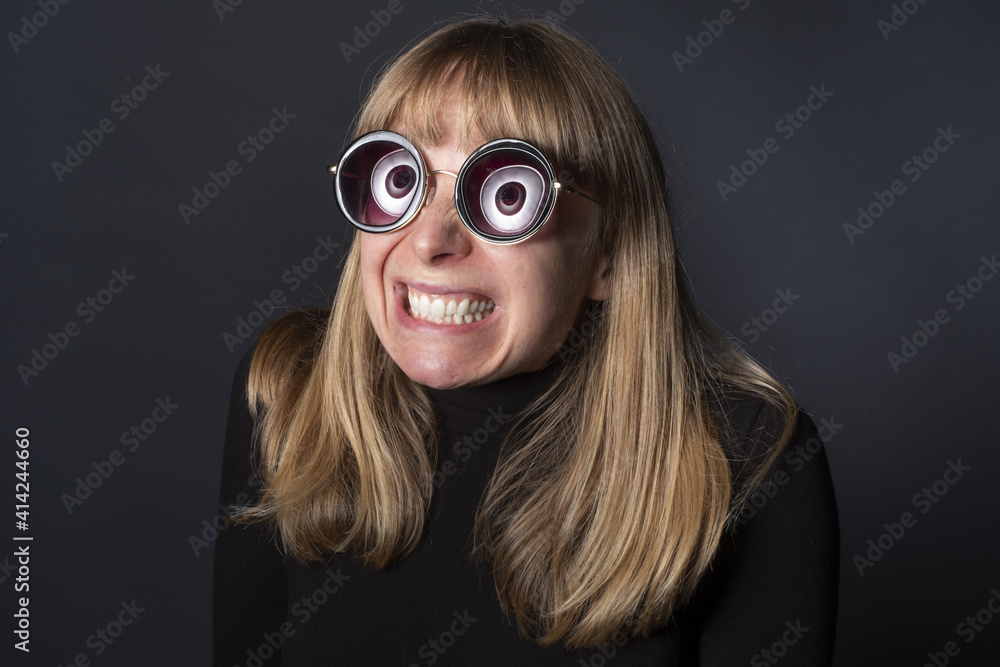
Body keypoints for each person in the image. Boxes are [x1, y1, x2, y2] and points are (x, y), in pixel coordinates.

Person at [213, 16, 839, 666]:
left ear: (610, 256)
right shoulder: (288, 394)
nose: (430, 241)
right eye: (399, 179)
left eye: (506, 194)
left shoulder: (750, 461)